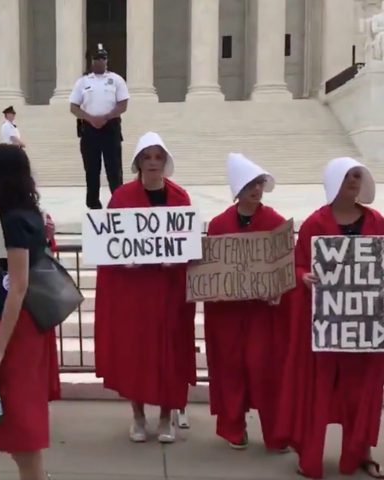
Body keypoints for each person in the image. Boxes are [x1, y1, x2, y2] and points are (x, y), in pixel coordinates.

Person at [277, 157, 384, 479]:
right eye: (350, 176)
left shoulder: (377, 221)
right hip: (323, 325)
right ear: (336, 180)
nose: (355, 181)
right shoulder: (314, 223)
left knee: (363, 391)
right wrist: (303, 278)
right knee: (318, 390)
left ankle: (361, 451)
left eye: (358, 176)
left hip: (365, 325)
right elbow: (297, 266)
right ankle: (310, 453)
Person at [0, 144, 60, 480]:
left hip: (15, 328)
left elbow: (18, 284)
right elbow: (5, 274)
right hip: (15, 321)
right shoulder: (24, 214)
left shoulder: (15, 220)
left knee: (17, 417)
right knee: (11, 416)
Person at [94, 132, 196, 443]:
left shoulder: (181, 199)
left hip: (168, 292)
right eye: (147, 157)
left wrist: (175, 261)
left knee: (169, 354)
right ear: (138, 162)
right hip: (134, 293)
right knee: (134, 353)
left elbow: (188, 247)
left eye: (158, 157)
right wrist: (124, 262)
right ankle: (138, 416)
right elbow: (108, 247)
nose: (153, 163)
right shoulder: (121, 198)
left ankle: (166, 418)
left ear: (165, 162)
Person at [203, 153, 290, 451]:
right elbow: (210, 267)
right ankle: (233, 428)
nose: (256, 189)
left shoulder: (276, 222)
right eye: (251, 184)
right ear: (238, 188)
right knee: (229, 369)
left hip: (263, 314)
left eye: (260, 184)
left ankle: (277, 434)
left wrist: (277, 289)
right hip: (227, 314)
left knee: (267, 370)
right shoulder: (218, 224)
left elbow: (285, 267)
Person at [70, 43, 129, 209]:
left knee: (114, 168)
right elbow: (73, 107)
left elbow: (123, 104)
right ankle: (93, 203)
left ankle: (119, 202)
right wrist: (90, 118)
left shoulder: (116, 80)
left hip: (110, 127)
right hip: (90, 129)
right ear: (91, 60)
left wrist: (106, 117)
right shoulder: (83, 82)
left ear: (107, 60)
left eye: (103, 58)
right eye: (97, 58)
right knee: (91, 169)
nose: (100, 61)